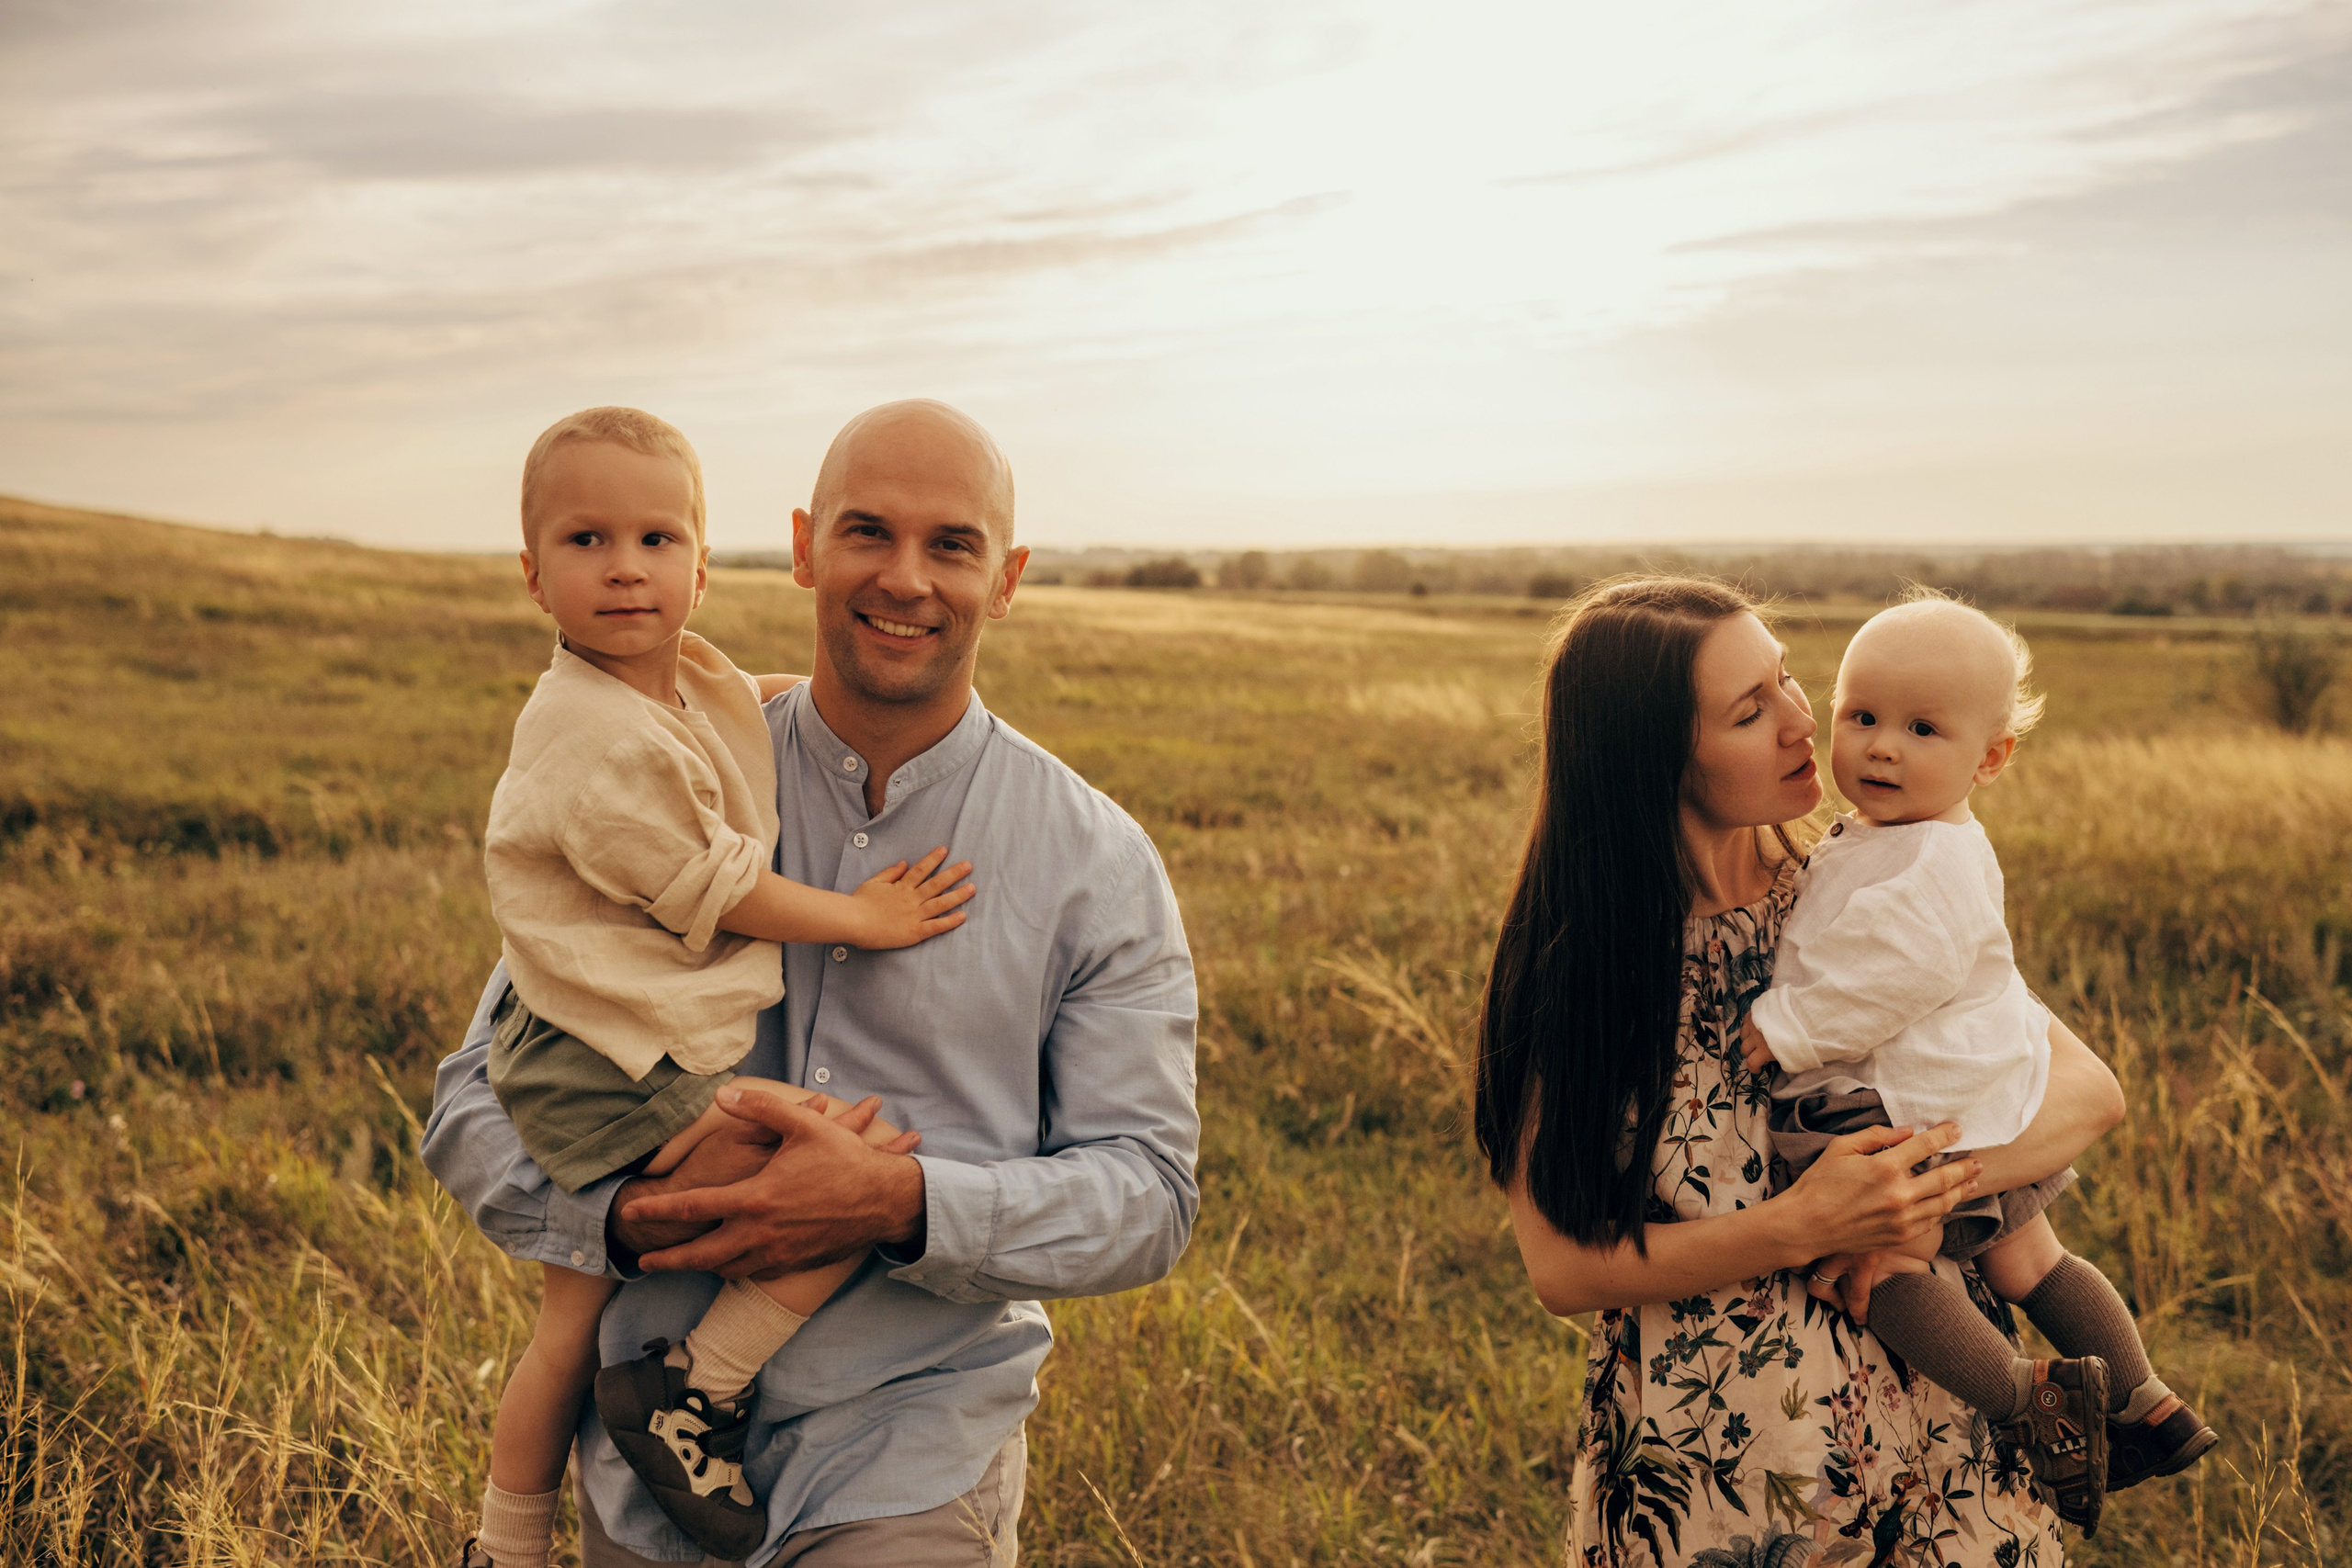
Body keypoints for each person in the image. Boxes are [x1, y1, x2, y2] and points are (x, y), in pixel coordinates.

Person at [424, 400, 1201, 1566]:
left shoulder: (1094, 859)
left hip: (910, 1454)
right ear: (801, 548)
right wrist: (626, 1220)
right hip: (636, 1485)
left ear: (1008, 578)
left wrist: (903, 1205)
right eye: (866, 533)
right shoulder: (663, 770)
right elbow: (479, 1098)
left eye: (952, 545)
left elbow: (1148, 1195)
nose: (905, 578)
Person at [1474, 576, 2126, 1567]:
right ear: (1652, 754)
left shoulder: (1849, 895)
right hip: (1727, 1464)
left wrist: (1903, 1189)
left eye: (1786, 680)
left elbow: (2084, 1090)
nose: (1798, 722)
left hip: (1942, 1416)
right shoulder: (1585, 967)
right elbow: (1563, 1269)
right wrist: (1804, 1225)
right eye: (1748, 710)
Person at [458, 405, 978, 1566]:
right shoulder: (587, 733)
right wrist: (863, 916)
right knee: (844, 1171)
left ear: (702, 564)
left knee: (571, 1318)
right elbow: (718, 884)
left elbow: (732, 699)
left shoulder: (673, 674)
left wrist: (805, 699)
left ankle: (515, 1531)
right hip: (605, 1064)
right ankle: (690, 1391)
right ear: (534, 574)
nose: (627, 570)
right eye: (587, 541)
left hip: (613, 1036)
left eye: (657, 540)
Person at [1743, 592, 2215, 1533]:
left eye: (1921, 728)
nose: (1880, 747)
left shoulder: (1924, 860)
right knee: (2028, 1256)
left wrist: (1790, 1027)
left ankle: (2026, 1402)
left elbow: (1899, 978)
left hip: (1918, 1094)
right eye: (1861, 716)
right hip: (1987, 1087)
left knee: (1882, 1266)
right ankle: (2147, 1400)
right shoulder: (1903, 836)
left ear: (1989, 758)